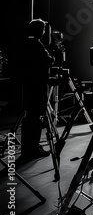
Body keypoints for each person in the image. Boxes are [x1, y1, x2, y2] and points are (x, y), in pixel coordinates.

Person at [19, 19, 54, 162]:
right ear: (39, 30)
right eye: (44, 29)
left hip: (28, 86)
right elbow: (48, 60)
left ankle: (28, 148)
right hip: (37, 87)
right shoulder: (37, 45)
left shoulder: (26, 44)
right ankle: (33, 149)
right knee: (36, 118)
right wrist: (53, 56)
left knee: (29, 118)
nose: (45, 32)